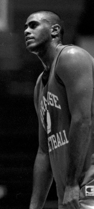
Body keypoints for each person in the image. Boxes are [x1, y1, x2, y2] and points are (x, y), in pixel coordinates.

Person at [24, 10, 94, 209]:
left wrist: (72, 183)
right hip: (70, 191)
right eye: (25, 28)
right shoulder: (40, 85)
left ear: (54, 30)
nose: (27, 31)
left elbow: (83, 120)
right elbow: (44, 151)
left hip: (88, 183)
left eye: (33, 25)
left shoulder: (71, 57)